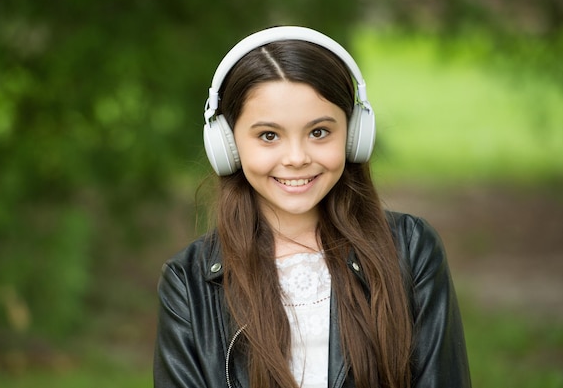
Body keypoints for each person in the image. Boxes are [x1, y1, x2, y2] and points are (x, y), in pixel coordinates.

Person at [153, 26, 471, 388]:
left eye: (319, 132)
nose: (296, 158)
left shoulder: (411, 249)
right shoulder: (188, 282)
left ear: (354, 136)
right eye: (268, 136)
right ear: (227, 146)